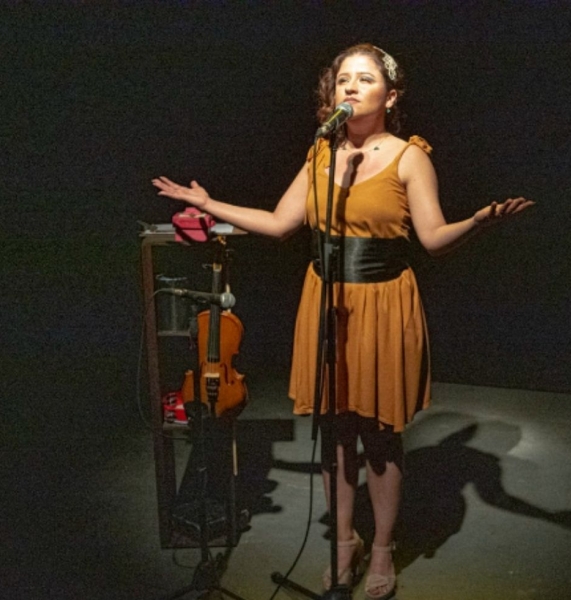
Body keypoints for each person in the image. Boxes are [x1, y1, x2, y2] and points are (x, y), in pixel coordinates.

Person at [153, 42, 533, 600]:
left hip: (383, 303)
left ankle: (381, 548)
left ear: (391, 94)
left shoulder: (409, 156)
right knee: (333, 433)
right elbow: (282, 223)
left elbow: (431, 239)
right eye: (342, 81)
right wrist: (211, 206)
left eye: (365, 79)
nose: (351, 88)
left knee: (379, 435)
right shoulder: (322, 154)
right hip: (325, 301)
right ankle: (343, 543)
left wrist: (478, 220)